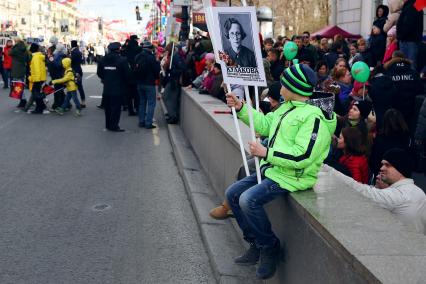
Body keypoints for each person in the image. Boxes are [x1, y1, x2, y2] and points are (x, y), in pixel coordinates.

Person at [224, 64, 336, 279]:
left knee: (248, 200)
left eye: (284, 82)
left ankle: (269, 247)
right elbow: (266, 125)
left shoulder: (313, 118)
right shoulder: (287, 106)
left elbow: (303, 156)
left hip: (293, 177)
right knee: (233, 194)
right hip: (275, 170)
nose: (280, 85)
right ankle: (256, 243)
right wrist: (240, 108)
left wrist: (266, 152)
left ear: (294, 88)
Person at [330, 148, 426, 235]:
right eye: (382, 164)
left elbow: (362, 191)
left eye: (387, 165)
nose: (381, 168)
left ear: (400, 169)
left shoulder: (399, 195)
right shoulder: (419, 192)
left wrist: (329, 170)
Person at [384, 51, 423, 132]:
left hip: (393, 113)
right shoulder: (413, 73)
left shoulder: (387, 73)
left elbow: (385, 92)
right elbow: (421, 90)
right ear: (404, 59)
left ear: (393, 59)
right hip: (410, 111)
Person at [97, 42, 131, 132]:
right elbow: (127, 74)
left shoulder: (103, 60)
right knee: (116, 108)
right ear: (118, 49)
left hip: (107, 88)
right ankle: (114, 126)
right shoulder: (122, 60)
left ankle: (108, 125)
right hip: (118, 88)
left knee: (107, 108)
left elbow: (99, 73)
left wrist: (106, 79)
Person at [370, 109, 410, 178]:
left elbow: (374, 161)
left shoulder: (380, 139)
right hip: (400, 175)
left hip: (383, 175)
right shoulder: (406, 138)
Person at [134, 41, 160, 129]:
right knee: (151, 103)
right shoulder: (151, 57)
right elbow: (157, 70)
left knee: (142, 102)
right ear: (150, 48)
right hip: (149, 83)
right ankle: (148, 123)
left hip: (140, 83)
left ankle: (141, 121)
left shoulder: (137, 56)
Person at [396, 0, 424, 70]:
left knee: (408, 64)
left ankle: (410, 80)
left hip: (408, 40)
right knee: (408, 64)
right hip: (410, 39)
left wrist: (400, 35)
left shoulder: (411, 6)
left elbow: (408, 24)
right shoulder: (414, 5)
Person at [9, 38, 30, 108]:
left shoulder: (16, 48)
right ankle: (23, 100)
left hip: (16, 69)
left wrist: (14, 46)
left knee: (18, 86)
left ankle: (23, 101)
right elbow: (28, 59)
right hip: (22, 68)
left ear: (16, 42)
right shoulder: (25, 49)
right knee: (20, 85)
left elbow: (10, 53)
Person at [46, 39, 67, 110]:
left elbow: (57, 65)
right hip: (59, 74)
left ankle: (57, 105)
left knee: (57, 90)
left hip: (57, 74)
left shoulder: (58, 55)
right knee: (59, 89)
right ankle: (65, 104)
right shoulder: (61, 55)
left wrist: (51, 61)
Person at [27, 43, 47, 114]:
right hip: (40, 78)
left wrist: (34, 79)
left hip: (37, 79)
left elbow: (37, 70)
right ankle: (42, 106)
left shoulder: (35, 58)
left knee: (36, 94)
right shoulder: (39, 56)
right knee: (37, 93)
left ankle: (39, 109)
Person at [70, 40, 86, 108]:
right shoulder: (79, 51)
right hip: (79, 70)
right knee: (80, 87)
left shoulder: (73, 52)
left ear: (71, 45)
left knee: (72, 87)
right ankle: (83, 101)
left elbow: (71, 61)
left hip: (74, 71)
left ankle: (70, 102)